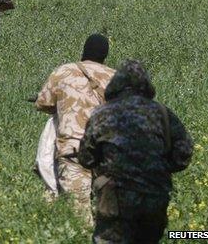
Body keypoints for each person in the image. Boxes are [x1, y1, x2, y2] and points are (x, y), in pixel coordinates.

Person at [79, 60, 193, 244]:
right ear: (146, 85)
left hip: (114, 199)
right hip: (154, 198)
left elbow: (85, 158)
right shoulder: (162, 112)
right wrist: (159, 169)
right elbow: (184, 153)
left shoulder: (101, 114)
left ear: (115, 84)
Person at [34, 34, 115, 221]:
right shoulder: (115, 76)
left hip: (74, 150)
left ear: (84, 51)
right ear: (105, 55)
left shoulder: (64, 71)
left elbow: (42, 103)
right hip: (107, 152)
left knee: (78, 212)